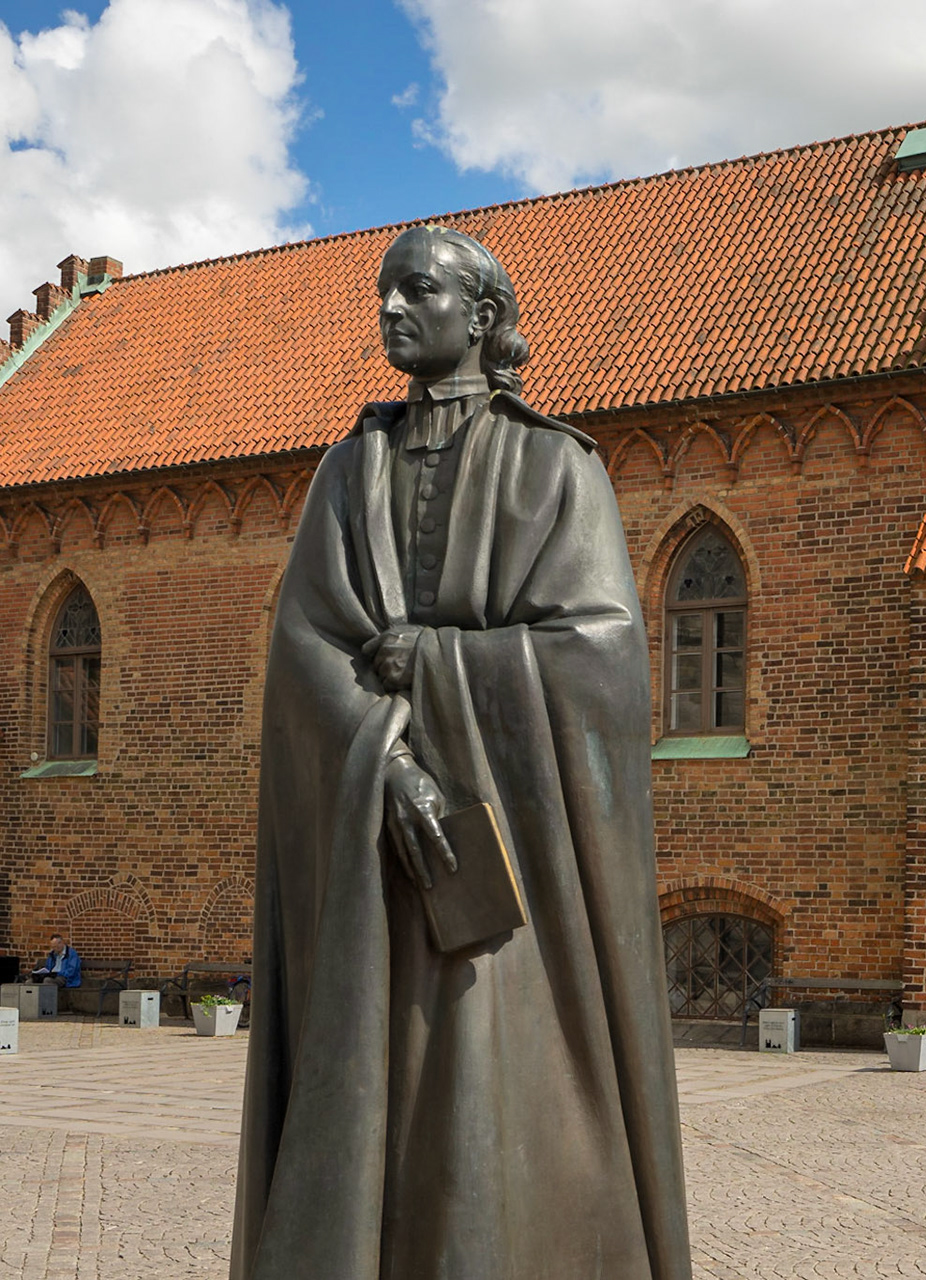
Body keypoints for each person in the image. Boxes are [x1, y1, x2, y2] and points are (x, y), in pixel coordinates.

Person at [231, 226, 690, 1280]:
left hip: (510, 857)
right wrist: (384, 766)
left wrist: (430, 663)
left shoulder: (556, 465)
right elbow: (304, 650)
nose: (389, 309)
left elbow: (602, 660)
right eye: (383, 291)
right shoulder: (346, 472)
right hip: (373, 849)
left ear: (481, 316)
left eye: (417, 290)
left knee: (491, 1089)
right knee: (367, 1090)